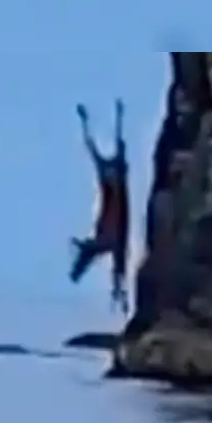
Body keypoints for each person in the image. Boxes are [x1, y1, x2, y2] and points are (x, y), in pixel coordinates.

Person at [69, 99, 130, 314]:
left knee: (112, 260)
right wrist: (85, 121)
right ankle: (117, 292)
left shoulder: (111, 170)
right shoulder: (111, 170)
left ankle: (119, 293)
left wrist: (119, 116)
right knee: (108, 257)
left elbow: (113, 140)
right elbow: (94, 145)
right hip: (110, 229)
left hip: (111, 229)